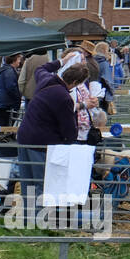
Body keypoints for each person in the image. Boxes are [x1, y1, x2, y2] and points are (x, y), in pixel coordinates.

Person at [16, 61, 85, 198]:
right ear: (76, 81)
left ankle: (28, 217)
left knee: (27, 184)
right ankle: (40, 217)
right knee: (42, 185)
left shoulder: (46, 79)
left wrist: (61, 61)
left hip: (24, 136)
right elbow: (69, 131)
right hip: (41, 143)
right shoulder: (64, 98)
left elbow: (41, 67)